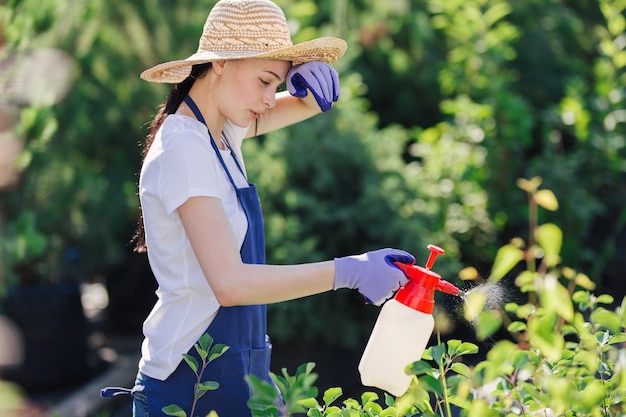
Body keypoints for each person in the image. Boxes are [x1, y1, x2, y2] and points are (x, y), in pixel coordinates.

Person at [102, 1, 415, 416]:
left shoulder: (222, 135)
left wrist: (304, 84)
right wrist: (349, 271)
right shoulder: (183, 149)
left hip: (238, 371)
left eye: (277, 85)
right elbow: (230, 285)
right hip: (187, 382)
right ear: (220, 64)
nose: (270, 99)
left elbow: (302, 105)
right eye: (265, 81)